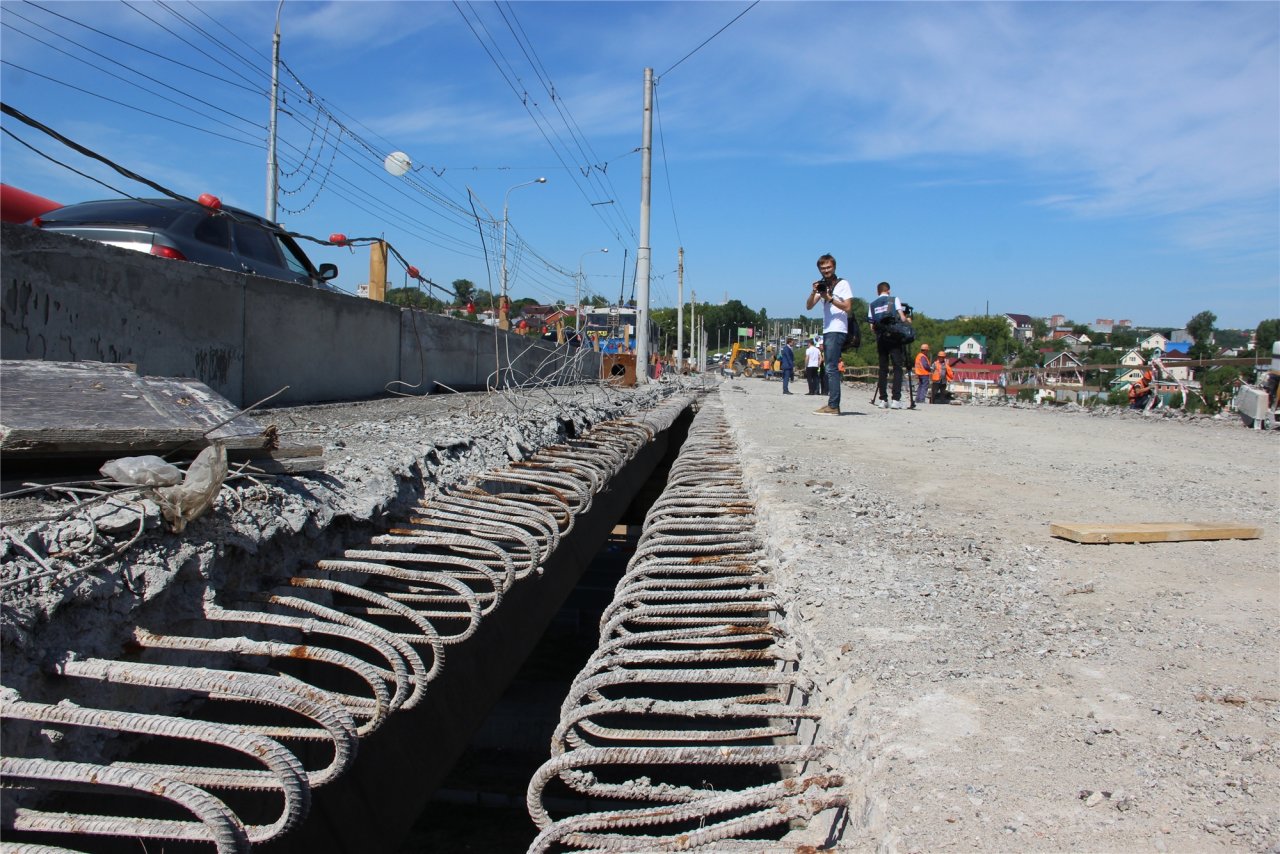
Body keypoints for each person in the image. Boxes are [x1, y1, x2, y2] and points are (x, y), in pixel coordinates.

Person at [805, 253, 855, 414]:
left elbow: (848, 307)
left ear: (834, 267)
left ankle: (833, 405)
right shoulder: (822, 286)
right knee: (829, 367)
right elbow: (808, 306)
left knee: (831, 368)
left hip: (837, 328)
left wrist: (830, 298)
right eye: (823, 268)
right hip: (828, 329)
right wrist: (814, 292)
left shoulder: (843, 284)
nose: (826, 270)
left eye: (829, 267)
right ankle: (832, 403)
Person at [868, 281, 910, 409]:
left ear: (878, 291)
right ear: (889, 291)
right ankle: (896, 399)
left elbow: (871, 326)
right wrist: (907, 320)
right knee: (897, 367)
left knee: (883, 368)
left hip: (881, 338)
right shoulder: (893, 299)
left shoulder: (872, 304)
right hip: (894, 338)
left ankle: (883, 399)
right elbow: (902, 317)